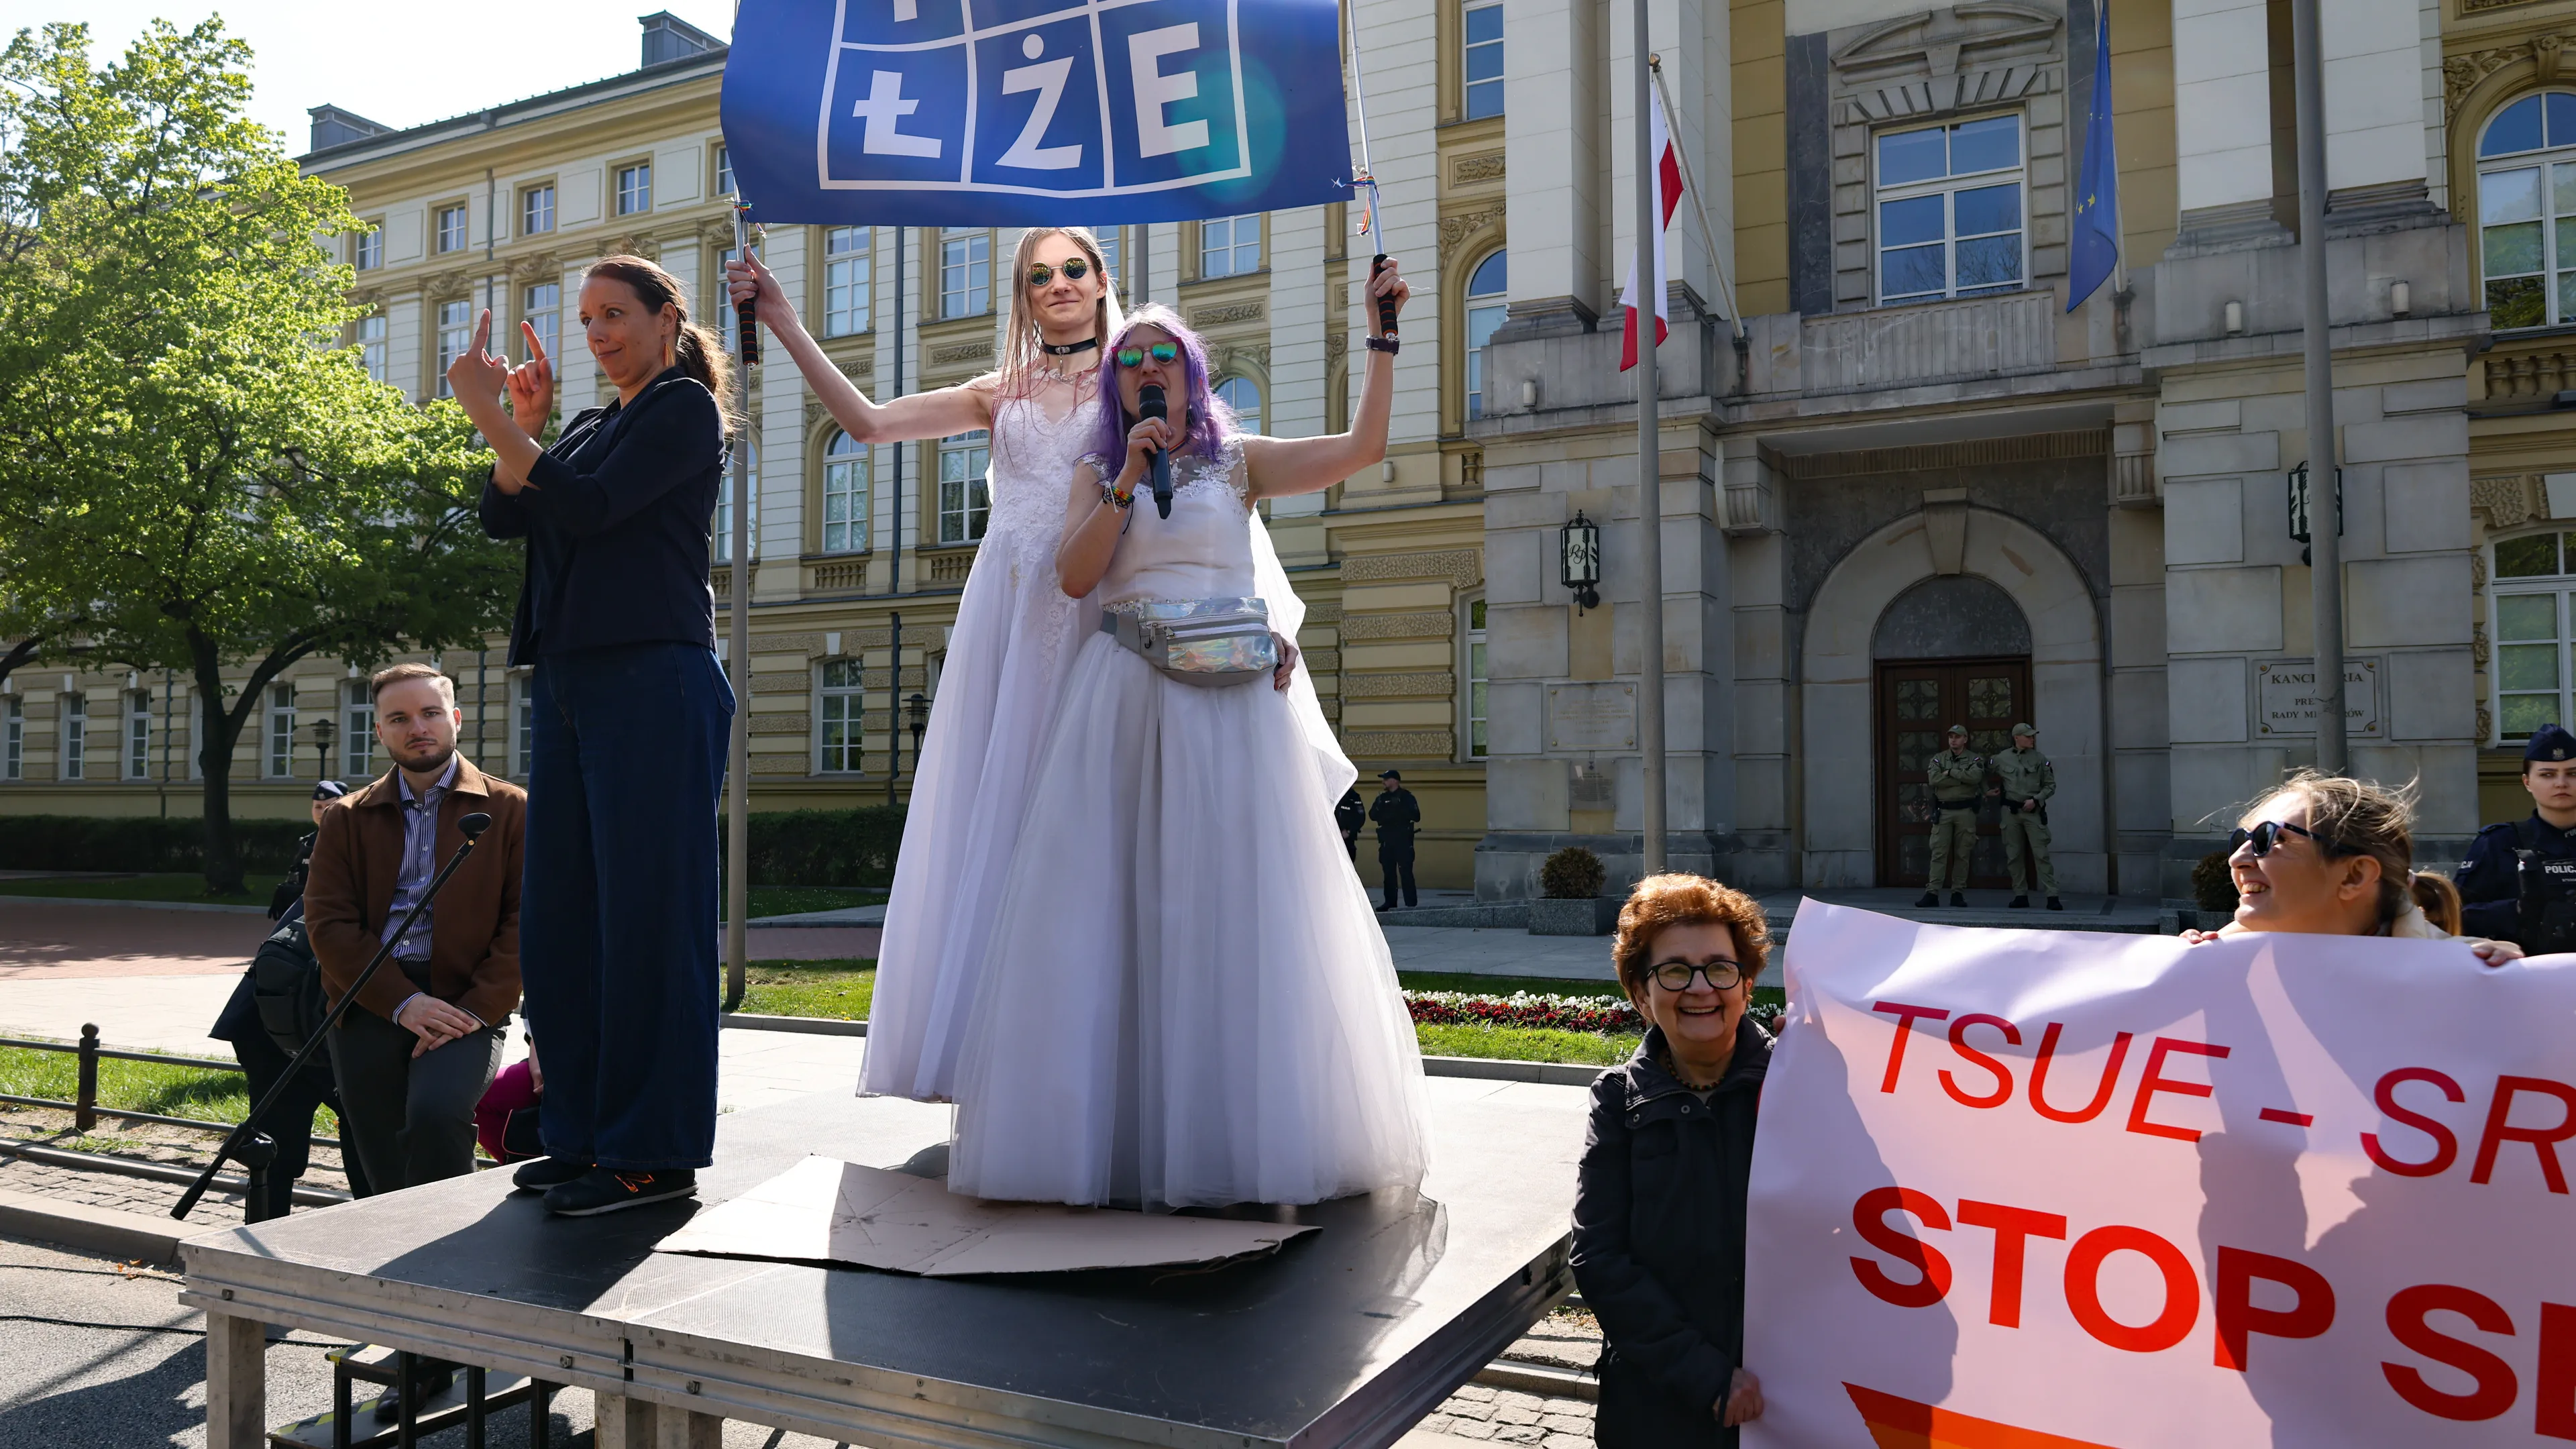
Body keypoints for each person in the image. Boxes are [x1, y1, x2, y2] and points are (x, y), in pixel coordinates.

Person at [947, 282, 1429, 1208]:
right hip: (1127, 699)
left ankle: (1239, 1137)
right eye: (1128, 359)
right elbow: (1077, 577)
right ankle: (1124, 1137)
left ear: (1192, 372)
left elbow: (1361, 450)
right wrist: (1127, 479)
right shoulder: (1100, 475)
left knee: (1238, 914)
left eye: (1163, 355)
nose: (1146, 369)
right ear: (1114, 390)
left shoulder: (1240, 464)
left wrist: (1382, 338)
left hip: (1237, 710)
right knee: (1121, 911)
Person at [726, 229, 1118, 1104]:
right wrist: (783, 317)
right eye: (1039, 273)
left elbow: (1201, 480)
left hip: (1103, 608)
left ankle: (1110, 1057)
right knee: (1006, 826)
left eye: (1074, 269)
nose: (1058, 283)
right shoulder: (996, 394)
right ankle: (1011, 1058)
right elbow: (865, 424)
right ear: (1021, 293)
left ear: (1101, 281)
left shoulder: (1137, 380)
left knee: (1100, 824)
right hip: (1007, 619)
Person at [460, 254, 735, 1216]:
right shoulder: (587, 424)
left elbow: (591, 508)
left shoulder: (683, 410)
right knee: (567, 921)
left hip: (655, 677)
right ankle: (578, 1132)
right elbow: (507, 513)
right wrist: (520, 433)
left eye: (616, 313)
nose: (598, 333)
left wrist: (489, 416)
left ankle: (651, 1152)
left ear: (668, 320)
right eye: (585, 320)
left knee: (649, 922)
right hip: (572, 679)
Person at [303, 665, 525, 1421]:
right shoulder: (348, 818)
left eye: (430, 713)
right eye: (399, 718)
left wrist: (465, 1012)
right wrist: (403, 1004)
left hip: (464, 1008)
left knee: (435, 1122)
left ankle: (445, 1326)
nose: (417, 728)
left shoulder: (510, 810)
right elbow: (329, 925)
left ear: (458, 719)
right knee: (381, 1169)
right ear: (381, 730)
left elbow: (525, 924)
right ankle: (411, 1320)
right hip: (373, 1004)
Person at [1573, 873, 1771, 1446]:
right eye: (1676, 970)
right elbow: (1599, 1257)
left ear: (1747, 983)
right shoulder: (1617, 1101)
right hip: (1657, 1404)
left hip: (1784, 1400)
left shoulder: (1799, 1086)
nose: (1701, 988)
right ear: (1640, 993)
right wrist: (1708, 1377)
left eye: (1719, 967)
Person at [209, 780, 368, 1221]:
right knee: (363, 1135)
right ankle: (374, 1238)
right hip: (293, 1026)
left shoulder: (334, 871)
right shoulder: (358, 879)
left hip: (273, 1023)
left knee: (282, 1150)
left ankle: (261, 1238)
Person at [2180, 769, 2519, 965]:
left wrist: (2509, 983)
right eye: (2240, 838)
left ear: (2354, 876)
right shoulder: (2214, 961)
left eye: (2269, 839)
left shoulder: (2468, 975)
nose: (2237, 859)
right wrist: (2173, 974)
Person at [2453, 722, 2576, 952]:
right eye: (2547, 774)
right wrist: (2519, 909)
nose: (2561, 783)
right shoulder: (2498, 843)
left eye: (2572, 773)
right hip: (2524, 977)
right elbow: (2452, 916)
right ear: (2527, 782)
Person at [1990, 723, 2061, 910]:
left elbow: (2050, 786)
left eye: (2032, 736)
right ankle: (2020, 895)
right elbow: (1980, 773)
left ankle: (2052, 895)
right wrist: (1988, 790)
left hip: (2033, 812)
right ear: (2017, 737)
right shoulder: (2001, 759)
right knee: (2014, 855)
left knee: (2041, 855)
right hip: (2010, 814)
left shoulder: (2040, 759)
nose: (2032, 738)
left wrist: (2036, 800)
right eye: (2028, 736)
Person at [1915, 724, 1984, 908]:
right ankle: (1932, 893)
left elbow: (1976, 777)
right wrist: (1962, 779)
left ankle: (1958, 893)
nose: (1953, 740)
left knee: (1963, 853)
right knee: (1939, 853)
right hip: (1944, 811)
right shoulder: (1939, 759)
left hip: (1965, 812)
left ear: (1965, 739)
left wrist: (1951, 773)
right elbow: (1934, 780)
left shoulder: (1974, 759)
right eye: (1951, 737)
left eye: (1957, 737)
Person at [268, 780, 346, 921]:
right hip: (304, 913)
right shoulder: (307, 841)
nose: (322, 812)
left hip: (334, 915)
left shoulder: (350, 840)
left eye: (329, 806)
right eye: (318, 807)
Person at [1371, 769, 1421, 910]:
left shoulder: (1406, 797)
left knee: (1406, 871)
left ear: (1395, 781)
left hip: (1403, 840)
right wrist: (1383, 807)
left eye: (1386, 779)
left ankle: (1410, 904)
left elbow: (1416, 816)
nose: (1384, 782)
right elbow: (1372, 815)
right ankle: (1390, 902)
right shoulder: (1382, 798)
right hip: (1387, 840)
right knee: (1388, 874)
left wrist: (1399, 809)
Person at [1335, 785, 1367, 862]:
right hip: (1333, 837)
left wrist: (1349, 831)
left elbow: (1360, 818)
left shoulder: (1353, 796)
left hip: (1348, 838)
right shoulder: (1333, 794)